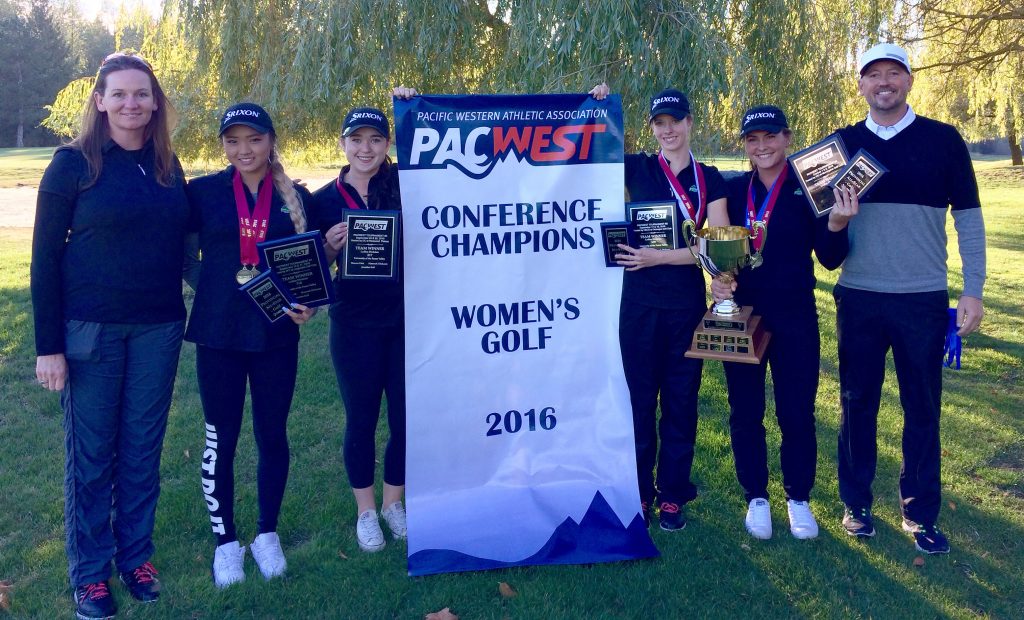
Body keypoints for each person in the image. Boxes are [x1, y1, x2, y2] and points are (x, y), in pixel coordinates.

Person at [31, 52, 188, 620]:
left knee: (142, 451)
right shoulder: (72, 164)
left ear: (154, 102)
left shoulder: (169, 165)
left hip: (158, 330)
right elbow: (44, 261)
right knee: (93, 456)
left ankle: (136, 556)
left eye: (141, 94)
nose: (131, 104)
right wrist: (48, 347)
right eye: (119, 94)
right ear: (98, 101)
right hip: (89, 331)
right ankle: (91, 573)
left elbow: (194, 247)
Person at [829, 43, 986, 554]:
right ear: (860, 85)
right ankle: (856, 505)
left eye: (892, 73)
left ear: (909, 80)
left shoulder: (944, 141)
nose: (883, 83)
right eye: (872, 75)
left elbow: (968, 220)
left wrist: (974, 291)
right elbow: (824, 238)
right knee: (857, 403)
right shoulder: (841, 146)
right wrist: (836, 219)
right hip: (859, 297)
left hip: (921, 298)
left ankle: (920, 513)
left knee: (923, 407)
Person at [184, 103, 318, 587]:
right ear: (223, 144)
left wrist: (308, 305)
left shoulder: (295, 197)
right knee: (220, 439)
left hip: (275, 336)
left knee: (272, 435)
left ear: (271, 141)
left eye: (254, 140)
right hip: (218, 335)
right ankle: (226, 543)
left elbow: (310, 264)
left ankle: (266, 534)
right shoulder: (202, 192)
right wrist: (217, 287)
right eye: (233, 141)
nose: (244, 150)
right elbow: (184, 257)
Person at [710, 106, 853, 540]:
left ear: (788, 138)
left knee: (796, 411)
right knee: (746, 410)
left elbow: (830, 257)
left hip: (795, 315)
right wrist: (717, 280)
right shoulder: (733, 191)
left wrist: (838, 221)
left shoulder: (811, 187)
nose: (762, 146)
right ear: (745, 146)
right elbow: (719, 254)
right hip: (744, 316)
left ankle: (798, 498)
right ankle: (756, 495)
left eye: (770, 136)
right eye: (752, 139)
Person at [591, 84, 729, 531]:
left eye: (675, 122)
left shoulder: (710, 179)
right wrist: (597, 105)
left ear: (690, 123)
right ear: (652, 129)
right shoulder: (638, 168)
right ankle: (638, 492)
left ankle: (672, 494)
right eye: (660, 124)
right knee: (636, 401)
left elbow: (721, 246)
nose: (668, 130)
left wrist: (660, 257)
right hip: (637, 306)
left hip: (685, 306)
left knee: (681, 401)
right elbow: (588, 150)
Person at [314, 87, 415, 552]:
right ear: (343, 144)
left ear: (387, 146)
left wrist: (412, 105)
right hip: (353, 324)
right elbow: (310, 273)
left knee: (405, 418)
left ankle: (395, 502)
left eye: (376, 139)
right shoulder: (321, 199)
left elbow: (431, 147)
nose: (366, 148)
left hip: (404, 320)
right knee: (361, 419)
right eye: (357, 139)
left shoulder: (403, 185)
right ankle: (366, 511)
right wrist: (330, 247)